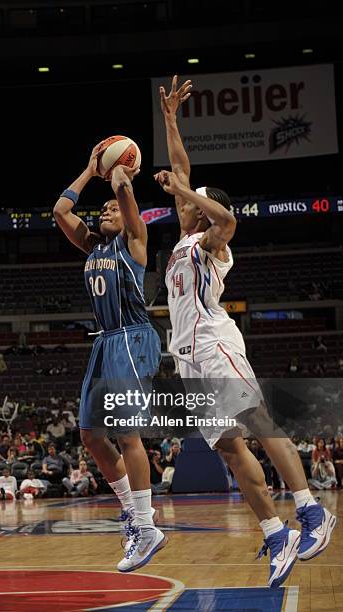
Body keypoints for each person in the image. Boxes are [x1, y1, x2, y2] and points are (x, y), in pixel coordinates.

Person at [155, 75, 336, 588]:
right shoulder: (184, 238)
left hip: (216, 343)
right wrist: (170, 120)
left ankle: (311, 510)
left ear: (200, 207)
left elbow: (227, 217)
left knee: (257, 418)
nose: (182, 206)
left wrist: (187, 189)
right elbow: (183, 166)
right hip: (187, 358)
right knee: (229, 448)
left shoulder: (215, 242)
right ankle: (276, 532)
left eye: (190, 202)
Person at [53, 142, 165, 572]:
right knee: (91, 436)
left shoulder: (134, 242)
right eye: (101, 209)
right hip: (104, 342)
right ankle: (133, 516)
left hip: (132, 339)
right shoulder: (94, 247)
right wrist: (88, 169)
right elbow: (62, 212)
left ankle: (146, 522)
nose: (106, 211)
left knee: (127, 434)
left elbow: (122, 192)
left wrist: (121, 169)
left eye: (112, 210)